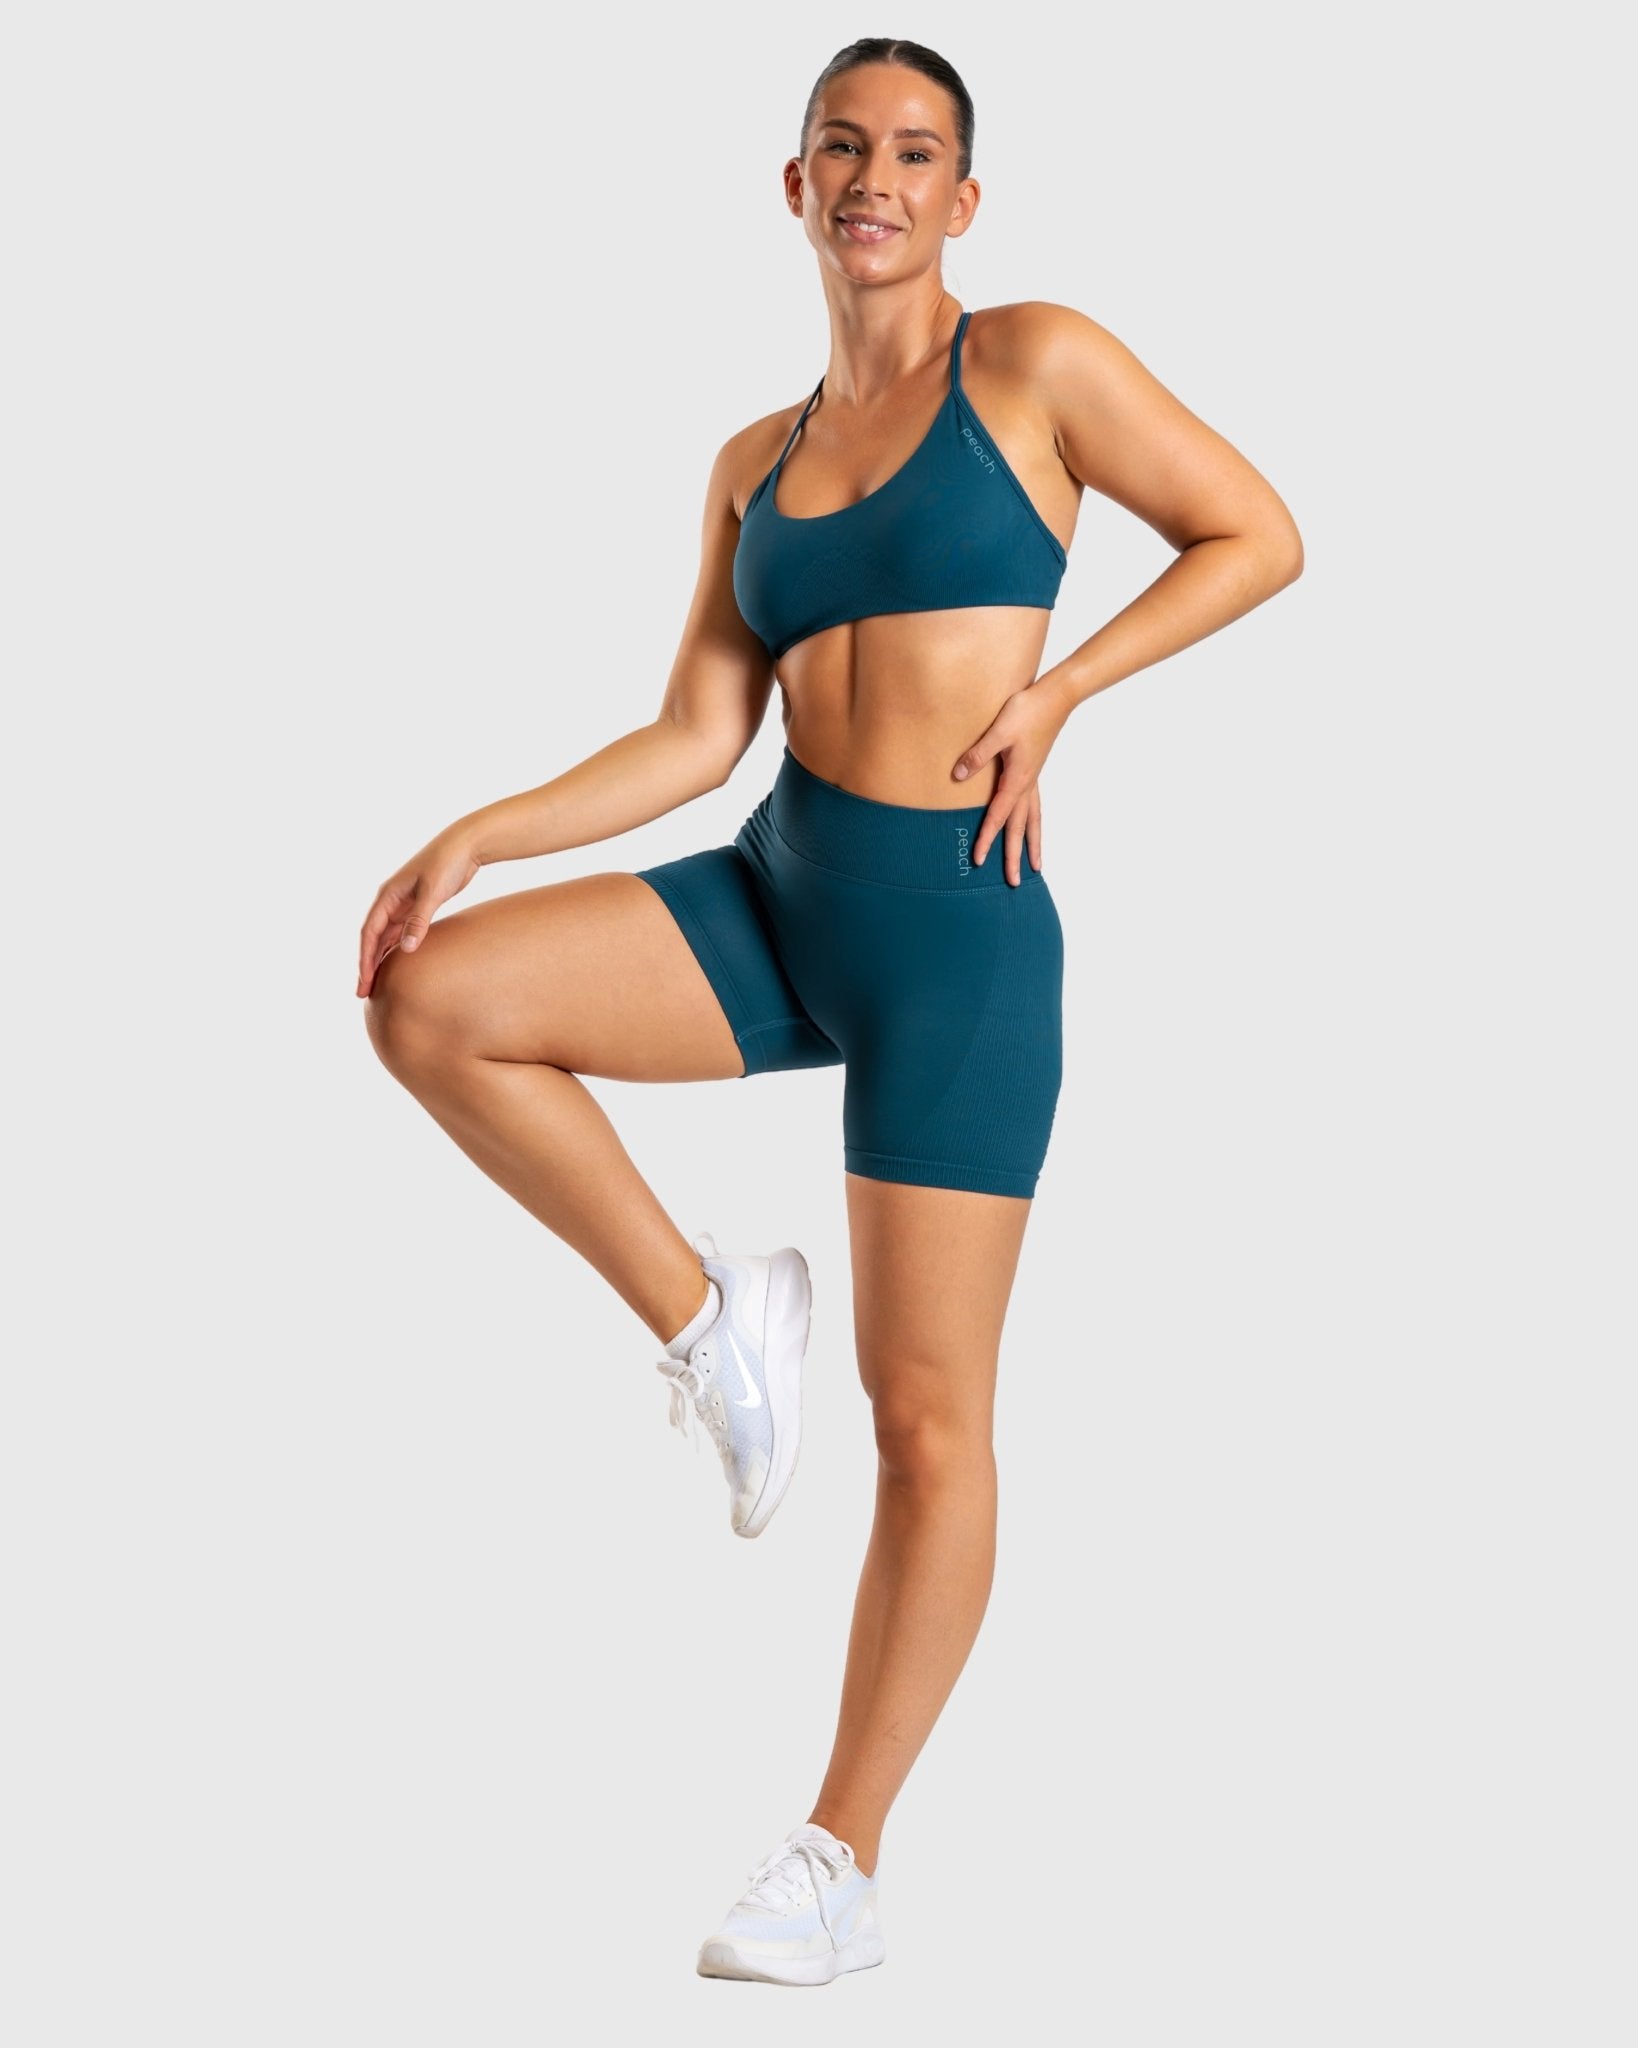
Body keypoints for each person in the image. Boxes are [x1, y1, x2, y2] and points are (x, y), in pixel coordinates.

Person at [356, 35, 1302, 1987]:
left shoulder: (1034, 365)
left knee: (928, 1423)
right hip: (781, 891)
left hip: (958, 945)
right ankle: (714, 1317)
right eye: (844, 147)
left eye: (917, 153)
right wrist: (477, 830)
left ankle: (839, 1860)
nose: (878, 179)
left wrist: (1065, 692)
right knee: (434, 996)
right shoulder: (751, 463)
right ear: (793, 185)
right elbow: (698, 735)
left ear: (965, 199)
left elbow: (1257, 532)